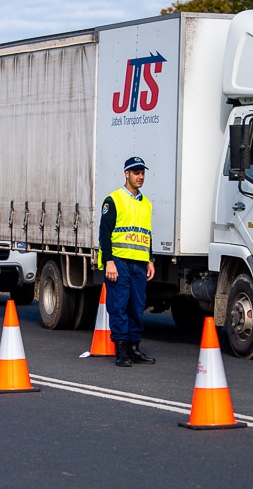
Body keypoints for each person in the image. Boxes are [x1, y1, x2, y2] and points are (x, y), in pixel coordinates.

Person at [99, 156, 156, 367]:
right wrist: (109, 261)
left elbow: (147, 233)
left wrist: (150, 259)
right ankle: (121, 349)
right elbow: (104, 234)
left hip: (139, 263)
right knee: (119, 306)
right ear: (127, 174)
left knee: (137, 306)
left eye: (142, 173)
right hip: (119, 261)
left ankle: (134, 348)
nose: (140, 177)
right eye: (136, 172)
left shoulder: (146, 204)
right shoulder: (113, 200)